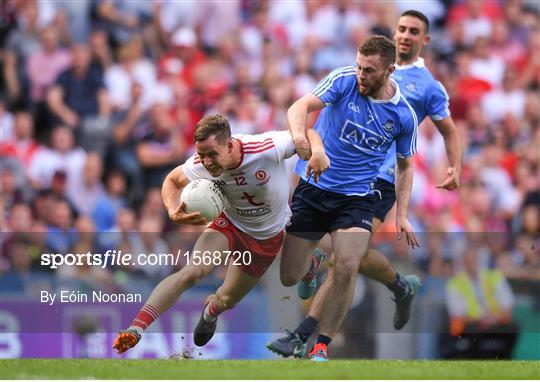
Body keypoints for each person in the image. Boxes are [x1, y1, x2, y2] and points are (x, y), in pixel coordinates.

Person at [268, 11, 463, 361]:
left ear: (389, 71)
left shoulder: (415, 101)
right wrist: (302, 139)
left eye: (368, 70)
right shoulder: (344, 78)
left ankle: (318, 344)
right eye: (401, 28)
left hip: (367, 189)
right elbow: (302, 106)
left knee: (347, 263)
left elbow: (410, 162)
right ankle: (398, 285)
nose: (361, 74)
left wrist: (403, 213)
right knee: (291, 275)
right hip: (316, 184)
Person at [112, 114, 328, 353]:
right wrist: (173, 210)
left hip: (267, 237)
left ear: (229, 144)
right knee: (192, 273)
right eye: (202, 155)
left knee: (231, 298)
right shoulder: (200, 162)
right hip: (229, 225)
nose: (206, 162)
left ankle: (212, 310)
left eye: (212, 154)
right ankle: (136, 328)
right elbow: (172, 180)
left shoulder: (266, 147)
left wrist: (317, 152)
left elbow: (308, 132)